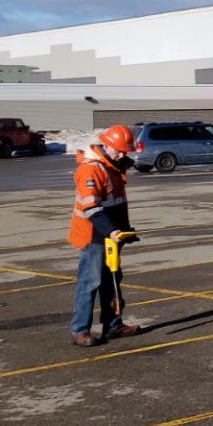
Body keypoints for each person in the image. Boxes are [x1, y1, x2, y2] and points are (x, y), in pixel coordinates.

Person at [68, 125, 143, 347]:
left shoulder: (114, 167)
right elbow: (91, 209)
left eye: (125, 150)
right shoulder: (91, 170)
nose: (123, 154)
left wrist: (124, 230)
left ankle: (113, 324)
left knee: (112, 280)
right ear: (106, 144)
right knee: (90, 282)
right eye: (119, 150)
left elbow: (117, 204)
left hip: (112, 235)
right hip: (94, 235)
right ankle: (80, 330)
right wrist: (112, 230)